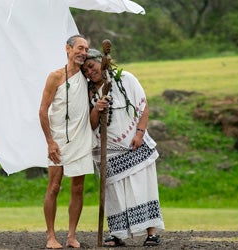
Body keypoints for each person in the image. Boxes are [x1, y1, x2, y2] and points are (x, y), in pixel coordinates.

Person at [82, 48, 165, 247]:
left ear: (102, 62)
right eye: (84, 70)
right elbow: (91, 124)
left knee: (143, 189)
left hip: (134, 146)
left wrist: (139, 133)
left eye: (91, 66)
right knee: (114, 194)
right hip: (108, 152)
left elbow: (143, 106)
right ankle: (117, 234)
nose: (89, 72)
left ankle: (151, 233)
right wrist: (96, 108)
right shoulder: (88, 91)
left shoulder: (125, 79)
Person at [38, 34, 96, 249]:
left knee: (78, 188)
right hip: (59, 140)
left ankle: (72, 236)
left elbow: (100, 71)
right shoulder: (55, 77)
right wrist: (50, 142)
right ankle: (51, 236)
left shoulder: (86, 76)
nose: (83, 52)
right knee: (53, 187)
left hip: (81, 139)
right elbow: (43, 111)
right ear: (68, 49)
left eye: (86, 49)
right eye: (80, 48)